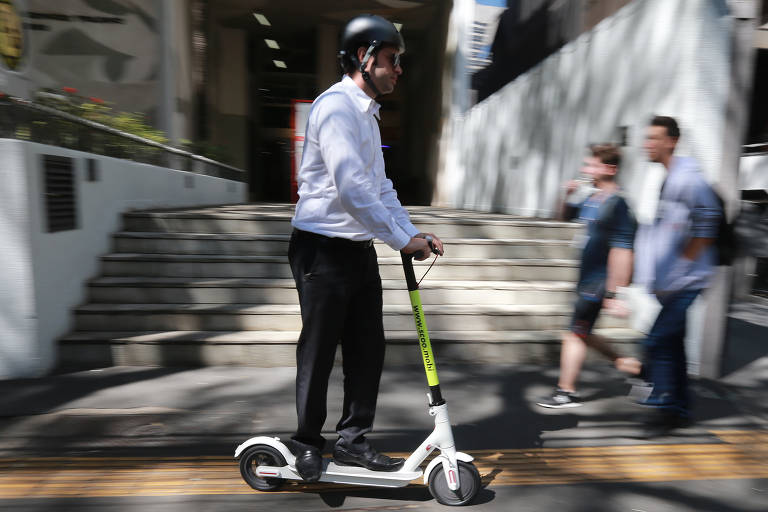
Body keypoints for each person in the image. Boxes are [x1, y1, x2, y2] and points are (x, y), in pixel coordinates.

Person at [287, 14, 444, 482]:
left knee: (366, 349)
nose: (399, 69)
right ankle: (306, 444)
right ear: (364, 57)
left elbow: (380, 187)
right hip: (321, 249)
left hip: (356, 250)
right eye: (393, 60)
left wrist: (413, 232)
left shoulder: (368, 117)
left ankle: (353, 441)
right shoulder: (336, 108)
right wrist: (400, 239)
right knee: (318, 351)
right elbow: (352, 190)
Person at [632, 116, 721, 437]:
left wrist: (681, 266)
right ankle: (680, 408)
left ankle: (663, 404)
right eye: (647, 138)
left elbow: (709, 221)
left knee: (656, 342)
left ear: (672, 141)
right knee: (673, 345)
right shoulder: (669, 179)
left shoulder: (688, 178)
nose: (648, 144)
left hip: (689, 281)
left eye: (654, 138)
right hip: (675, 282)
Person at [536, 144, 641, 409]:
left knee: (575, 333)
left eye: (591, 165)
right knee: (583, 333)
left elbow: (623, 250)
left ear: (610, 169)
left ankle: (566, 392)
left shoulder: (619, 205)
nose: (586, 170)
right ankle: (634, 367)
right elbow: (564, 217)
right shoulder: (593, 199)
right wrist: (567, 195)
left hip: (598, 282)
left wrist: (614, 293)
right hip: (586, 280)